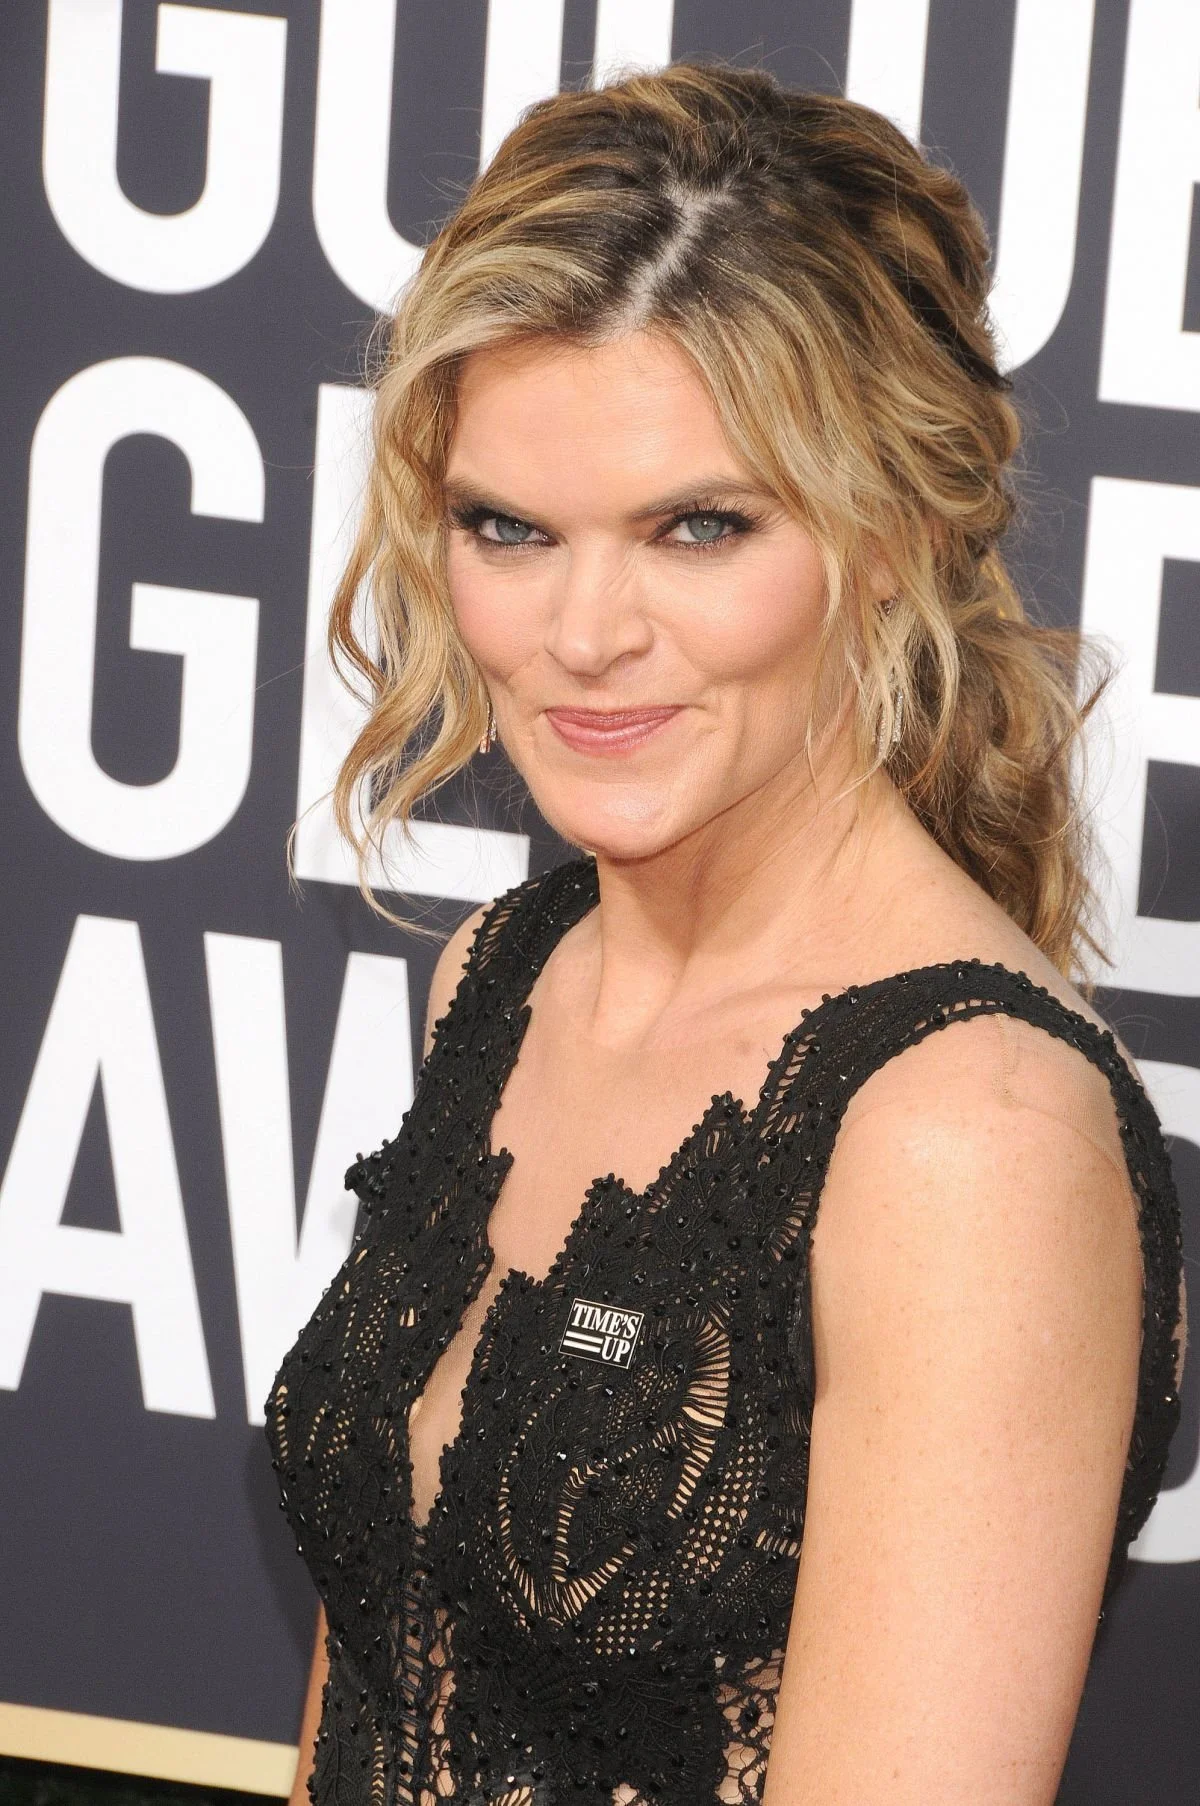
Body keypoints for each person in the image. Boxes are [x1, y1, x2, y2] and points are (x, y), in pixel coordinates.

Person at [266, 62, 1187, 1806]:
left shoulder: (965, 1138)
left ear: (894, 535)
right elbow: (379, 1662)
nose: (583, 633)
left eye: (699, 527)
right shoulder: (503, 977)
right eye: (508, 529)